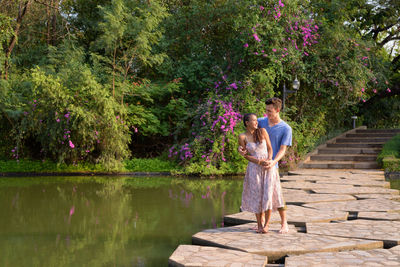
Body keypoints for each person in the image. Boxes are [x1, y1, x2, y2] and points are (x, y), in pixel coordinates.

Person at [239, 97, 291, 234]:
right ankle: (261, 223)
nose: (266, 113)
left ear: (277, 110)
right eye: (266, 110)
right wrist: (241, 149)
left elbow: (282, 149)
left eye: (269, 111)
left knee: (276, 195)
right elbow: (248, 132)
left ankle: (284, 222)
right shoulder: (261, 122)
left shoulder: (286, 128)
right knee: (260, 194)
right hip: (257, 166)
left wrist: (273, 162)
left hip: (272, 165)